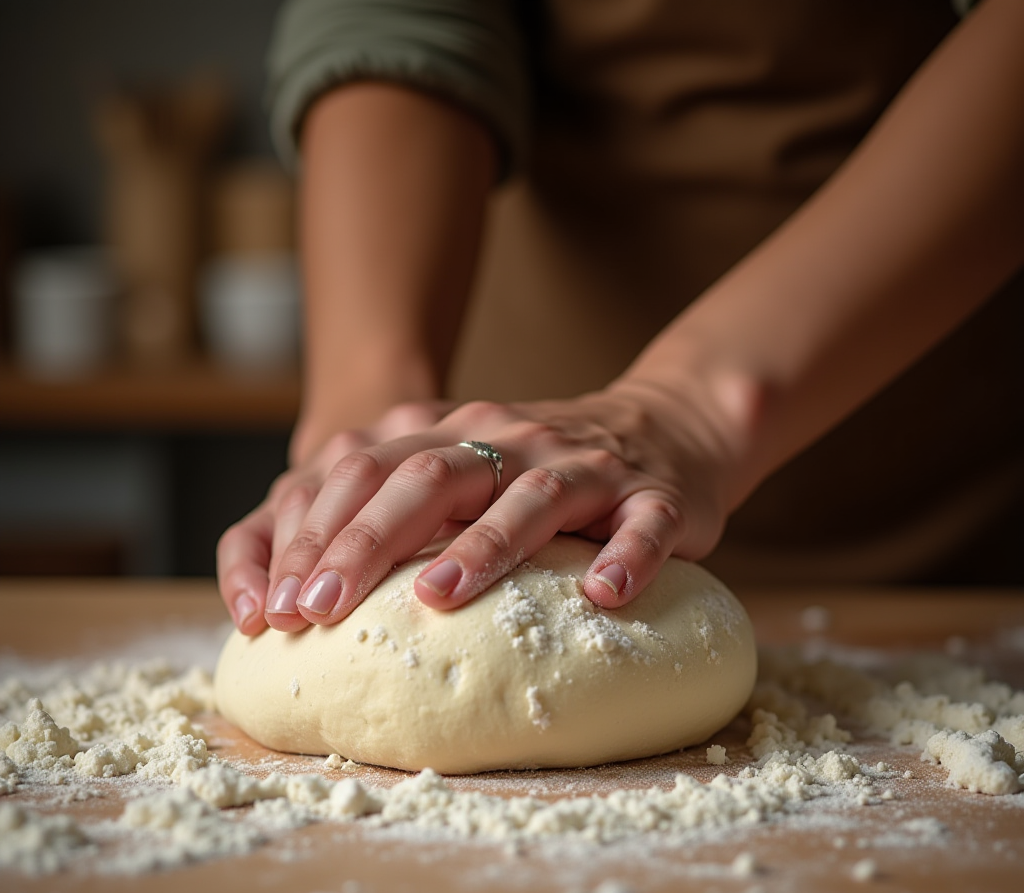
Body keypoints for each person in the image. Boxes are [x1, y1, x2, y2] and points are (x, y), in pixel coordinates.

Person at [217, 0, 1024, 637]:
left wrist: (689, 411)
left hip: (939, 488)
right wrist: (370, 412)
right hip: (521, 493)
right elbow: (398, 17)